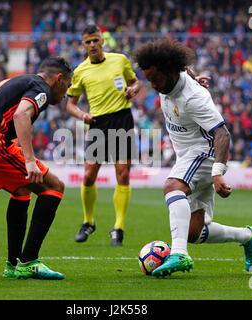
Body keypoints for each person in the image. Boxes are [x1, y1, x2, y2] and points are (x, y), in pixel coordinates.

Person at [132, 38, 252, 277]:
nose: (152, 85)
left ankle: (179, 254)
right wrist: (194, 76)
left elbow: (222, 133)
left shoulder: (193, 98)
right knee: (194, 232)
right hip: (188, 156)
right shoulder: (172, 79)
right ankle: (247, 236)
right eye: (148, 80)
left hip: (204, 152)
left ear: (170, 72)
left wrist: (217, 173)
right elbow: (184, 69)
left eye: (155, 79)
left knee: (172, 187)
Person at [0, 56, 72, 280]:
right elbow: (21, 115)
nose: (65, 93)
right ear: (58, 79)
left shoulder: (13, 83)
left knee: (21, 191)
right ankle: (28, 262)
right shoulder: (41, 88)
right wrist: (29, 160)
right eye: (67, 86)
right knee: (54, 187)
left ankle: (13, 265)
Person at [66, 24, 142, 246]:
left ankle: (118, 227)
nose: (92, 45)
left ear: (102, 41)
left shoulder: (119, 60)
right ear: (83, 44)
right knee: (89, 175)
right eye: (88, 42)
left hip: (122, 120)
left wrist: (133, 90)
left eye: (95, 40)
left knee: (123, 174)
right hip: (98, 123)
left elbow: (135, 81)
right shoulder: (80, 71)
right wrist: (82, 115)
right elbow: (70, 104)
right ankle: (88, 222)